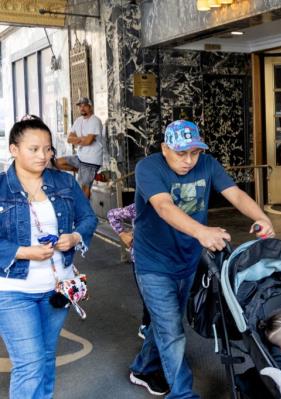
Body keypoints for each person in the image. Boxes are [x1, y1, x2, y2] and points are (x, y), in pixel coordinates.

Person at [129, 120, 275, 398]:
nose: (188, 160)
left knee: (166, 322)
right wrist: (202, 232)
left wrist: (262, 217)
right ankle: (182, 393)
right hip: (153, 263)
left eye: (194, 153)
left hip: (187, 260)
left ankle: (142, 368)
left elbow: (236, 194)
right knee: (171, 329)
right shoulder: (148, 168)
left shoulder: (207, 164)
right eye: (181, 153)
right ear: (165, 148)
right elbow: (163, 206)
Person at [0, 117, 97, 398]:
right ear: (14, 149)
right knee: (29, 364)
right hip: (13, 290)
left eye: (48, 149)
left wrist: (75, 237)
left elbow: (88, 218)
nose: (43, 155)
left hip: (58, 288)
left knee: (44, 358)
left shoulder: (64, 182)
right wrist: (22, 252)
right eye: (34, 149)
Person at [107, 203, 150, 339]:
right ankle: (146, 328)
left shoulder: (172, 208)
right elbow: (112, 214)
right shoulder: (138, 207)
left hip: (165, 262)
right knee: (149, 299)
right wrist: (122, 234)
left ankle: (148, 327)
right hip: (141, 261)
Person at [55, 97, 103, 198]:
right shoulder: (78, 120)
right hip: (80, 157)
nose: (82, 108)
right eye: (80, 106)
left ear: (91, 107)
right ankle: (84, 172)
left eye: (85, 105)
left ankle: (84, 212)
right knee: (57, 162)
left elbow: (88, 141)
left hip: (91, 161)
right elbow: (69, 139)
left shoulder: (95, 121)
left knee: (82, 190)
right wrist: (82, 139)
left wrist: (77, 140)